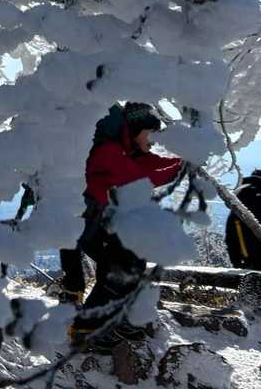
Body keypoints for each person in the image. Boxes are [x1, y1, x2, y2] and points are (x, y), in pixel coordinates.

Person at [69, 102, 183, 342]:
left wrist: (183, 164)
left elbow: (150, 163)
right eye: (150, 133)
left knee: (131, 261)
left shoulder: (126, 150)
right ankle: (86, 329)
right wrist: (179, 171)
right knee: (117, 267)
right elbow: (138, 177)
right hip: (85, 221)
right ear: (136, 130)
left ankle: (118, 320)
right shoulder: (109, 151)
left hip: (98, 219)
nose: (154, 139)